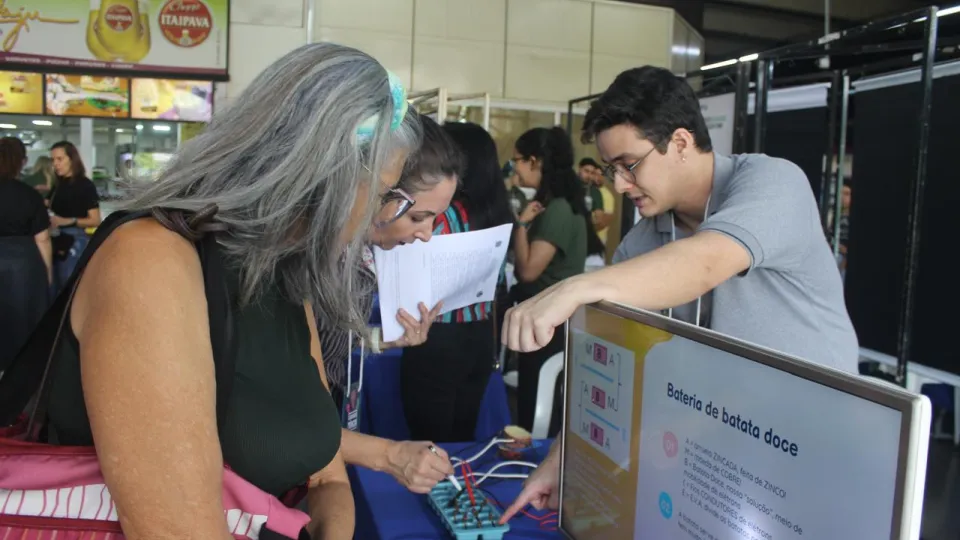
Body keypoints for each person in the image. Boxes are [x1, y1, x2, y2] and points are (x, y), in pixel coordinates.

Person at [37, 43, 422, 539]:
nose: (379, 217)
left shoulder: (284, 270)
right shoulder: (152, 263)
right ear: (327, 179)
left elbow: (326, 475)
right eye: (385, 194)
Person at [499, 66, 858, 523]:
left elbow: (706, 262)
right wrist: (561, 458)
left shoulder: (773, 183)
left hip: (813, 445)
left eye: (629, 165)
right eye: (612, 170)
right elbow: (606, 364)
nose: (619, 185)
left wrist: (575, 287)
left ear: (682, 143)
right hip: (721, 452)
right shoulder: (641, 243)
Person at [317, 115, 461, 494]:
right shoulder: (311, 264)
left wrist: (384, 340)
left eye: (434, 221)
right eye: (417, 217)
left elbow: (327, 341)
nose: (425, 235)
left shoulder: (361, 258)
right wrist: (389, 455)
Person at [400, 121, 515, 443]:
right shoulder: (498, 212)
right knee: (462, 434)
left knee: (428, 438)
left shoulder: (440, 214)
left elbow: (411, 269)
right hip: (480, 335)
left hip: (437, 335)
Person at [510, 126, 605, 435]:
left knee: (537, 408)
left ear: (534, 161)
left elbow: (528, 270)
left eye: (517, 160)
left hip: (547, 323)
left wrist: (520, 225)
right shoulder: (559, 204)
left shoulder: (558, 210)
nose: (514, 168)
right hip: (547, 320)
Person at [0, 137, 51, 372]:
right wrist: (47, 274)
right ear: (22, 161)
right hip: (23, 265)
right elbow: (43, 238)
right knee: (23, 323)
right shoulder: (29, 194)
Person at [47, 141, 101, 289]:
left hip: (75, 243)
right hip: (55, 240)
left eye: (60, 159)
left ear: (72, 159)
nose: (55, 164)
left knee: (68, 288)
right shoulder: (58, 185)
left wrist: (68, 221)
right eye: (53, 160)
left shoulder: (85, 185)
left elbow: (95, 220)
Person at [579, 157, 615, 246]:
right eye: (595, 174)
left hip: (596, 239)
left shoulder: (600, 193)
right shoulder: (587, 189)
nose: (597, 177)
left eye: (601, 175)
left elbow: (603, 222)